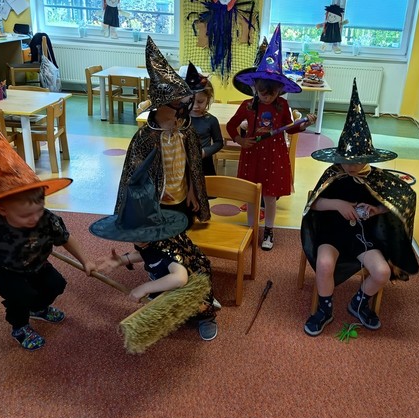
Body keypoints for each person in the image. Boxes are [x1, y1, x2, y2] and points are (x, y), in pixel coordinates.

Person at [0, 118, 95, 351]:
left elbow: (66, 239)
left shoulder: (47, 220)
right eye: (25, 216)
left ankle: (39, 308)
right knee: (20, 296)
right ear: (2, 209)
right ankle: (20, 326)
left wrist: (86, 261)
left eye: (39, 210)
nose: (34, 219)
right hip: (4, 269)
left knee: (56, 284)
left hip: (36, 263)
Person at [301, 79, 419, 337]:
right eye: (346, 161)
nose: (351, 167)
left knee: (382, 271)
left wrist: (377, 209)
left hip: (364, 238)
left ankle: (359, 302)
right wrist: (337, 204)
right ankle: (324, 309)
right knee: (324, 264)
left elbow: (400, 201)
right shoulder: (334, 173)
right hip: (332, 234)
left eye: (357, 162)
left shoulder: (377, 178)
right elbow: (313, 204)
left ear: (368, 158)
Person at [92, 148, 218, 342]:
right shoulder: (148, 242)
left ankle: (206, 317)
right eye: (133, 235)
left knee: (196, 303)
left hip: (190, 277)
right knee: (160, 290)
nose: (138, 239)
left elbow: (180, 278)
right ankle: (163, 294)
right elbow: (149, 254)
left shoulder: (168, 247)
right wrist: (123, 260)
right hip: (167, 272)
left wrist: (145, 287)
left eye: (142, 234)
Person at [227, 25, 316, 250]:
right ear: (255, 88)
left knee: (269, 195)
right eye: (263, 93)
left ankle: (268, 230)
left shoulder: (282, 105)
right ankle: (251, 230)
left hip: (275, 155)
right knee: (251, 194)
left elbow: (289, 129)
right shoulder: (247, 105)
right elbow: (231, 126)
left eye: (273, 93)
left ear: (279, 91)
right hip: (252, 155)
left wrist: (303, 125)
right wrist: (240, 140)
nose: (267, 98)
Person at [114, 37, 210, 228]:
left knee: (182, 230)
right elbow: (134, 178)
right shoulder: (145, 138)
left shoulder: (186, 130)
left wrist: (193, 190)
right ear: (161, 105)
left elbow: (193, 166)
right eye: (179, 103)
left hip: (183, 198)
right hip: (156, 203)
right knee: (158, 235)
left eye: (186, 103)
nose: (184, 108)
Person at [183, 62, 223, 176]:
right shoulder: (180, 119)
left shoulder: (211, 120)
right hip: (183, 163)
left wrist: (205, 152)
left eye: (200, 102)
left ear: (208, 99)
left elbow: (219, 143)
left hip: (204, 163)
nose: (195, 106)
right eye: (191, 101)